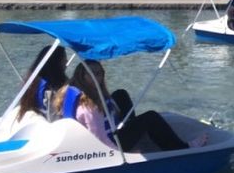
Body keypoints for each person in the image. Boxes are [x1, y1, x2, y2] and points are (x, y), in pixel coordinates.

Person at [60, 59, 204, 151]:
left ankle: (133, 129)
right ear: (82, 76)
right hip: (111, 144)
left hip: (108, 131)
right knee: (151, 117)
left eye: (100, 73)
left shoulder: (75, 93)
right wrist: (124, 154)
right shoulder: (90, 108)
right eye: (92, 73)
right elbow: (99, 139)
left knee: (120, 94)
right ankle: (182, 148)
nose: (98, 76)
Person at [16, 45, 69, 121]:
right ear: (56, 62)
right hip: (49, 120)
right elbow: (54, 115)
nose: (66, 61)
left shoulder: (33, 80)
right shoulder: (53, 86)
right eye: (64, 59)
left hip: (36, 116)